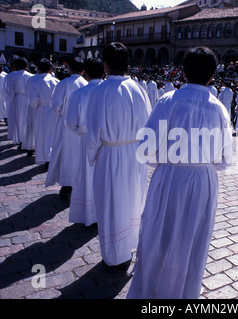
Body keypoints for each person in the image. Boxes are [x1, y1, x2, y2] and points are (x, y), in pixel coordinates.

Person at [127, 46, 232, 299]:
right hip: (203, 181)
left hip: (170, 178)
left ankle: (148, 294)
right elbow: (226, 159)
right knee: (191, 239)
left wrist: (166, 162)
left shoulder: (168, 100)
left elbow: (145, 148)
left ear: (183, 72)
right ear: (212, 76)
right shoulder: (218, 108)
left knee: (158, 235)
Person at [86, 43, 151, 268]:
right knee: (133, 200)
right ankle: (131, 244)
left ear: (105, 64)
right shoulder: (139, 89)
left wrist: (91, 156)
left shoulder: (99, 91)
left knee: (111, 204)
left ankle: (114, 255)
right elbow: (148, 126)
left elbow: (93, 133)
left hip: (111, 154)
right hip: (135, 155)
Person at [65, 58, 104, 226]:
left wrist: (82, 131)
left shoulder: (79, 93)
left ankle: (88, 214)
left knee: (86, 177)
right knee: (103, 178)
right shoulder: (110, 91)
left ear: (85, 73)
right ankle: (103, 212)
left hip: (86, 139)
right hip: (107, 143)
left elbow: (70, 122)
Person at [46, 57, 87, 198]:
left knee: (66, 154)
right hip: (83, 127)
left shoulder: (63, 84)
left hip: (66, 124)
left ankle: (67, 185)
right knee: (78, 155)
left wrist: (61, 114)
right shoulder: (87, 84)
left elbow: (56, 105)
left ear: (69, 68)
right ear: (83, 70)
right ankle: (78, 184)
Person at [28, 58, 60, 166]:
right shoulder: (56, 81)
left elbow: (33, 99)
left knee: (44, 134)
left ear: (38, 69)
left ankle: (46, 158)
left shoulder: (35, 81)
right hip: (55, 110)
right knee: (54, 134)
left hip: (43, 109)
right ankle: (54, 156)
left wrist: (37, 106)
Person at [12, 58, 34, 155]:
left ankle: (22, 141)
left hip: (19, 99)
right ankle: (28, 142)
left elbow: (10, 90)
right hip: (29, 99)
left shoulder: (13, 76)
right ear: (26, 66)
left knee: (20, 120)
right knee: (28, 121)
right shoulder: (31, 76)